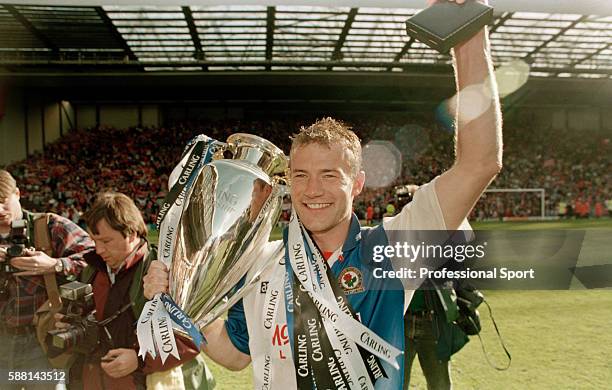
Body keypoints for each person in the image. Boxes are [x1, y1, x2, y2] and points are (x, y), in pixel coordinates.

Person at [144, 0, 502, 387]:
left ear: (358, 183)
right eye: (300, 175)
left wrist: (469, 34)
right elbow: (233, 355)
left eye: (329, 175)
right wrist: (179, 296)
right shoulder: (258, 263)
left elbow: (479, 163)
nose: (312, 190)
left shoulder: (392, 249)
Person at [55, 192, 208, 389]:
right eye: (95, 240)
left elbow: (192, 339)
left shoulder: (163, 273)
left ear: (132, 233)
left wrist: (139, 360)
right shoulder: (90, 272)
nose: (99, 250)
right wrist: (65, 322)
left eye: (106, 241)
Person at [0, 169, 94, 388]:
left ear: (17, 193)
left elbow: (97, 257)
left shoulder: (49, 226)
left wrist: (55, 265)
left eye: (3, 201)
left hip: (42, 341)